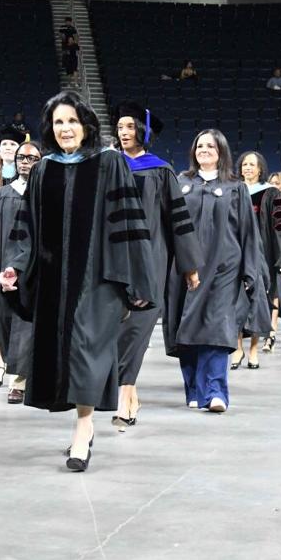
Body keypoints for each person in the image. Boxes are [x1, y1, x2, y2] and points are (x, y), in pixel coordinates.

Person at [0, 91, 155, 473]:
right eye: (58, 122)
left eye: (72, 120)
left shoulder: (109, 163)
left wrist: (134, 281)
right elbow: (27, 228)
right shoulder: (44, 170)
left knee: (86, 351)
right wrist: (16, 267)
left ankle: (83, 428)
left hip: (99, 279)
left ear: (86, 125)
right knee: (64, 355)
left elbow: (128, 224)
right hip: (53, 282)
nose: (65, 128)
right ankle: (83, 422)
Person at [111, 103, 200, 427]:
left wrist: (189, 265)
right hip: (112, 258)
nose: (123, 132)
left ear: (143, 131)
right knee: (115, 331)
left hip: (150, 259)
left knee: (137, 327)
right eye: (119, 127)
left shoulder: (161, 171)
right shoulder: (107, 166)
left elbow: (178, 220)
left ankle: (124, 397)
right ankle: (129, 393)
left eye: (129, 126)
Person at [166, 129, 259, 413]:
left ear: (221, 151)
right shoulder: (181, 182)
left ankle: (216, 391)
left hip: (223, 267)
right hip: (184, 268)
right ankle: (194, 389)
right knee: (187, 327)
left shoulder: (235, 187)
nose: (204, 150)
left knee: (217, 327)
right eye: (199, 146)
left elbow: (248, 231)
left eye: (210, 146)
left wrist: (250, 271)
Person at [0, 140, 42, 406]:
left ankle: (18, 382)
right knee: (5, 326)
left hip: (34, 271)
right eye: (21, 158)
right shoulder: (3, 193)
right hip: (2, 268)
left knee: (25, 326)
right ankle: (13, 369)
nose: (25, 163)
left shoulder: (45, 194)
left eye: (32, 159)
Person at [238, 152, 281, 358]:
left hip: (263, 254)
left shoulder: (272, 194)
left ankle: (254, 348)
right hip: (236, 253)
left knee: (259, 300)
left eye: (252, 164)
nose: (247, 168)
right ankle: (238, 348)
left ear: (260, 169)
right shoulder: (233, 190)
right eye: (244, 164)